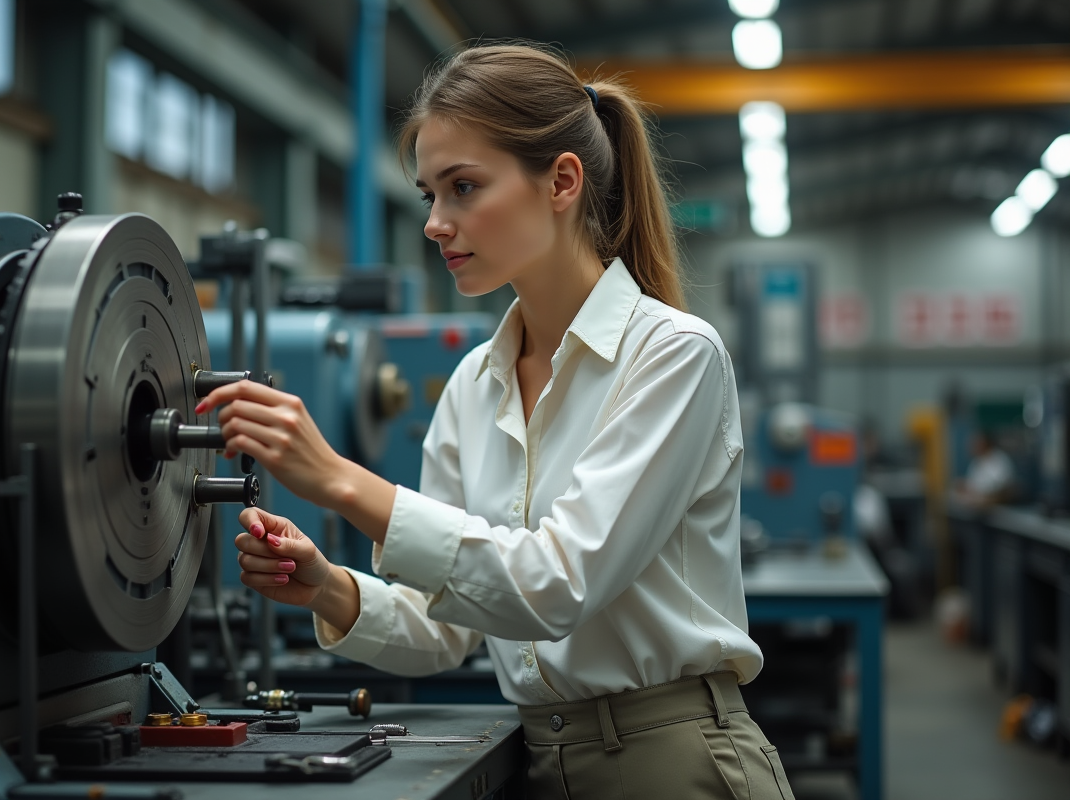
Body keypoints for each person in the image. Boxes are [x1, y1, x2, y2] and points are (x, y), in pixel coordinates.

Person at [195, 43, 794, 800]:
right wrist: (328, 588)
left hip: (674, 761)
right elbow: (449, 627)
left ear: (562, 182)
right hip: (542, 763)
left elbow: (555, 585)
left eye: (464, 187)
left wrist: (341, 482)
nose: (436, 224)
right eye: (429, 196)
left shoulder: (672, 357)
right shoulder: (473, 387)